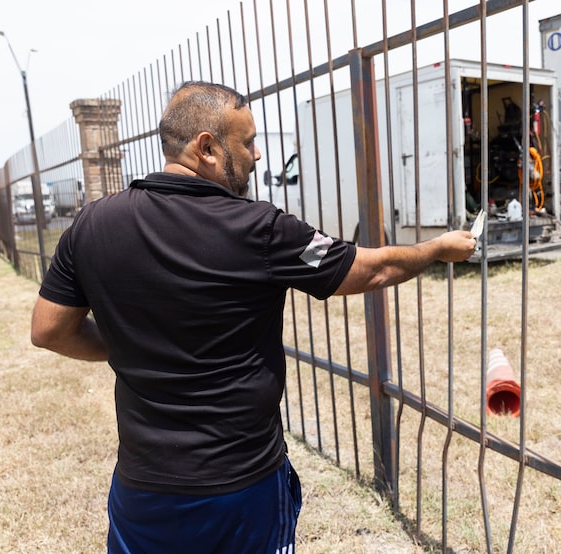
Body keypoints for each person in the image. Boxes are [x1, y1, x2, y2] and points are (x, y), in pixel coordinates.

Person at [30, 81, 477, 552]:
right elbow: (373, 269)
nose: (258, 155)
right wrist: (435, 249)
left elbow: (49, 329)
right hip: (240, 487)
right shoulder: (261, 229)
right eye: (247, 142)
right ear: (207, 148)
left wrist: (125, 343)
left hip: (143, 488)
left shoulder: (91, 224)